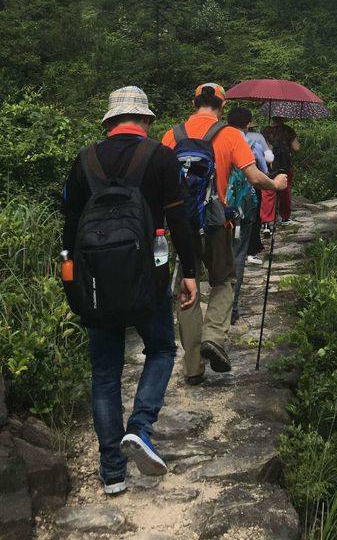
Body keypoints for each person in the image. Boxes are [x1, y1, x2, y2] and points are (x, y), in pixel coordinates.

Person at [60, 86, 198, 496]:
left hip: (97, 285)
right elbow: (180, 221)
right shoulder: (161, 156)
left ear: (109, 122)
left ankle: (113, 472)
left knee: (104, 372)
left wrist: (72, 279)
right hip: (149, 280)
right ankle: (140, 427)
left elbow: (69, 229)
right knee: (161, 349)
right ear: (146, 121)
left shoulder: (84, 160)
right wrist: (189, 271)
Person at [162, 84, 287, 383]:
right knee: (224, 281)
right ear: (221, 105)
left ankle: (193, 368)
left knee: (187, 289)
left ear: (194, 103)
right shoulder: (229, 135)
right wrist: (277, 185)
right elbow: (254, 176)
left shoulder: (171, 135)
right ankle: (214, 336)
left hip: (181, 224)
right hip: (216, 222)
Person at [225, 106, 272, 325]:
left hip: (219, 206)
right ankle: (231, 310)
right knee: (239, 254)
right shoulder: (249, 140)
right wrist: (275, 183)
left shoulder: (219, 137)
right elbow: (261, 169)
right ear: (248, 122)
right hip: (243, 205)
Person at [260, 116, 300, 237]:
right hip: (285, 164)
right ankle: (285, 218)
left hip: (269, 165)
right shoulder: (288, 130)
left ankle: (266, 223)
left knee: (267, 192)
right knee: (285, 190)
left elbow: (263, 147)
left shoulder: (265, 131)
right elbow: (296, 148)